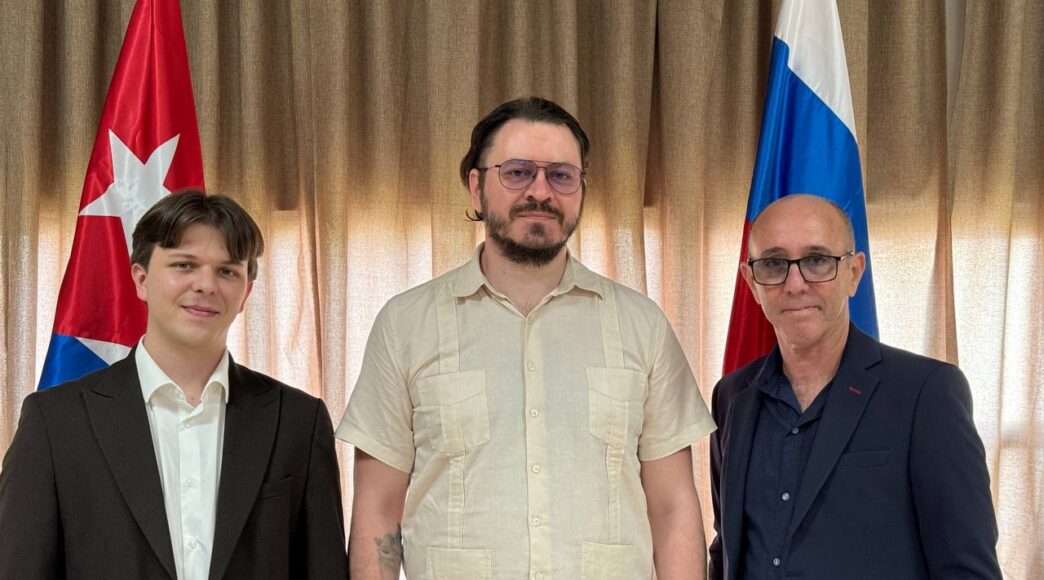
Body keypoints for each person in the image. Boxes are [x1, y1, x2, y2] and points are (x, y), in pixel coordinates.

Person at [339, 96, 715, 580]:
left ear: (581, 189)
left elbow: (673, 509)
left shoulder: (642, 326)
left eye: (561, 175)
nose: (540, 191)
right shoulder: (406, 325)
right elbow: (378, 509)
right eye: (517, 173)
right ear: (477, 187)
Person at [0, 191, 349, 579]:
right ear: (141, 279)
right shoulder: (55, 421)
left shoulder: (299, 421)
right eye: (185, 265)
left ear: (246, 293)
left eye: (227, 271)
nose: (206, 285)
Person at [708, 194, 1002, 580]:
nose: (795, 284)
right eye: (774, 263)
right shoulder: (731, 397)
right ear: (751, 280)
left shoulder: (926, 393)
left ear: (854, 272)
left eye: (817, 260)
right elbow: (726, 552)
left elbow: (967, 570)